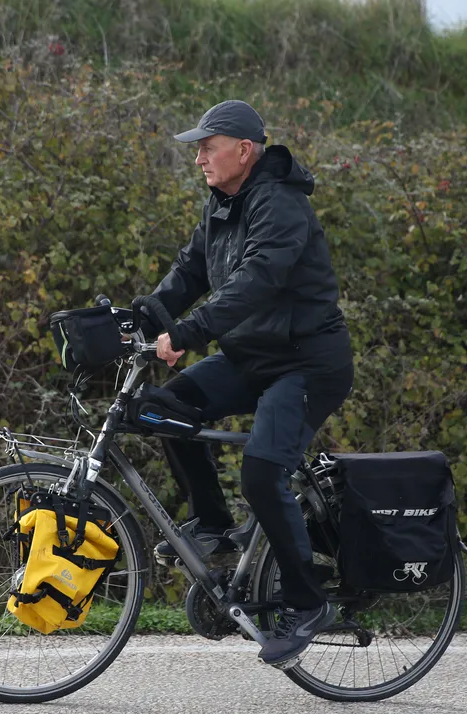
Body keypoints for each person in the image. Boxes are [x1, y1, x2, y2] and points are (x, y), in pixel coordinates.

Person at [142, 100, 354, 665]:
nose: (199, 160)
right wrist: (134, 322)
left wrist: (190, 332)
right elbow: (187, 274)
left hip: (308, 363)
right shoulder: (223, 205)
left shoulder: (280, 204)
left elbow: (257, 280)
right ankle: (212, 524)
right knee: (164, 406)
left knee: (262, 471)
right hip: (253, 357)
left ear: (243, 150)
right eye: (197, 150)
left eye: (207, 148)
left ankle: (307, 602)